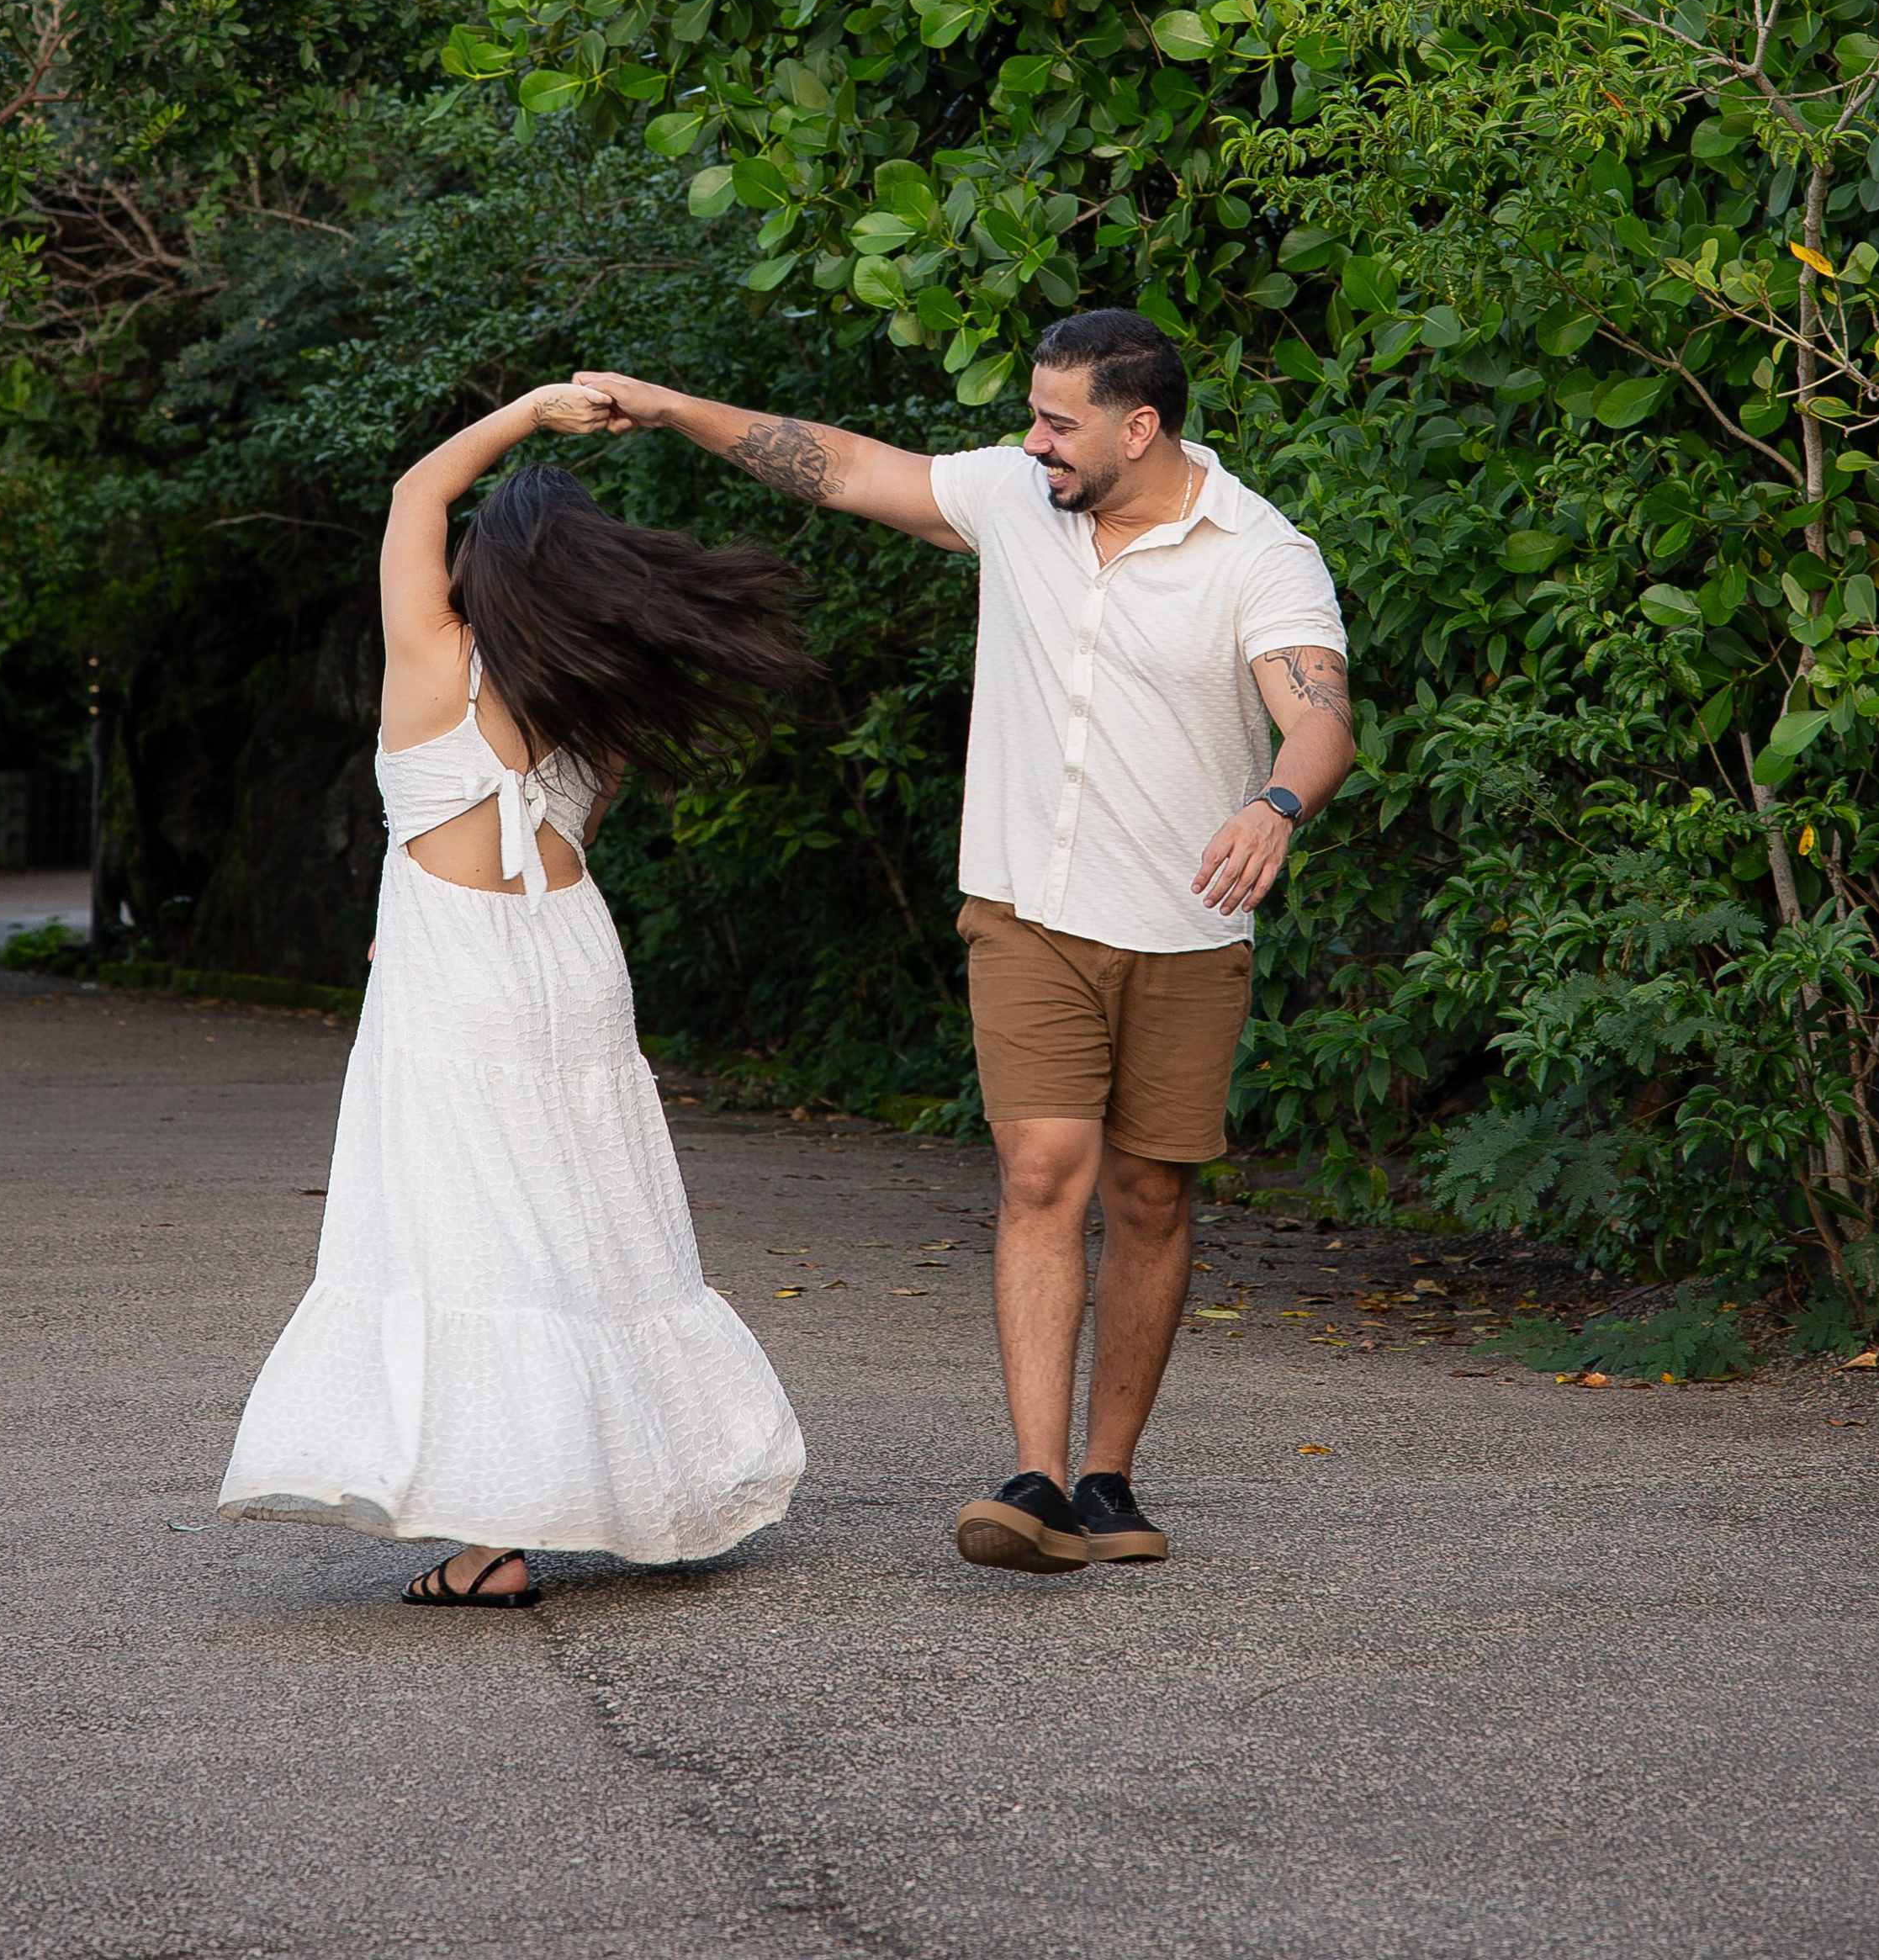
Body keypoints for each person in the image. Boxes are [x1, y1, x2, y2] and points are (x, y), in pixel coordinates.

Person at [574, 309, 1353, 1577]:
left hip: (1186, 924)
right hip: (1026, 908)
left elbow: (1320, 715)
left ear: (1138, 427)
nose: (1032, 440)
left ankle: (1108, 1484)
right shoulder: (1014, 494)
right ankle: (1034, 1476)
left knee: (1152, 1196)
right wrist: (667, 404)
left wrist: (1277, 804)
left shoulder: (1259, 550)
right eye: (1033, 417)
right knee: (1044, 1170)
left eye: (1059, 421)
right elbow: (842, 464)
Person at [218, 384, 813, 1603]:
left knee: (470, 1231)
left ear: (480, 572)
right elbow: (567, 826)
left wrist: (533, 410)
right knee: (592, 1220)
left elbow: (413, 492)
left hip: (460, 959)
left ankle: (492, 1540)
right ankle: (659, 1485)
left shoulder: (433, 662)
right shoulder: (593, 702)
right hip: (573, 957)